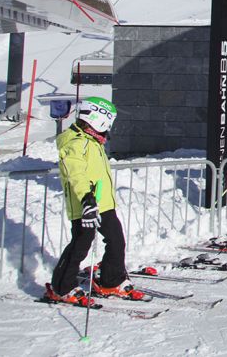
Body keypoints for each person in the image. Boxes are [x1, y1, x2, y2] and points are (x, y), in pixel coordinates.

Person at [44, 97, 145, 305]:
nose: (109, 128)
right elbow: (76, 175)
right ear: (99, 118)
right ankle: (61, 287)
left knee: (116, 240)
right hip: (85, 205)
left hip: (104, 204)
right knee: (81, 244)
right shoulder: (75, 143)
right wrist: (87, 199)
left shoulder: (93, 141)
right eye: (109, 121)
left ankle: (110, 280)